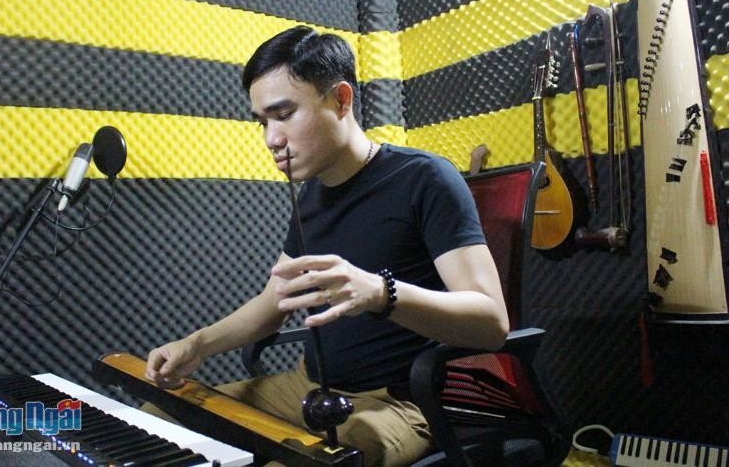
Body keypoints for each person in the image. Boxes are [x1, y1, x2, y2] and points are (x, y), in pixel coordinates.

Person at [145, 25, 509, 466]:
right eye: (262, 122)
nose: (270, 139)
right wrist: (196, 345)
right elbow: (274, 303)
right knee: (159, 419)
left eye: (283, 114)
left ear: (340, 100)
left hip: (399, 405)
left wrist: (380, 293)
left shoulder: (425, 179)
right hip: (307, 389)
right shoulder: (312, 195)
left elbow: (491, 322)